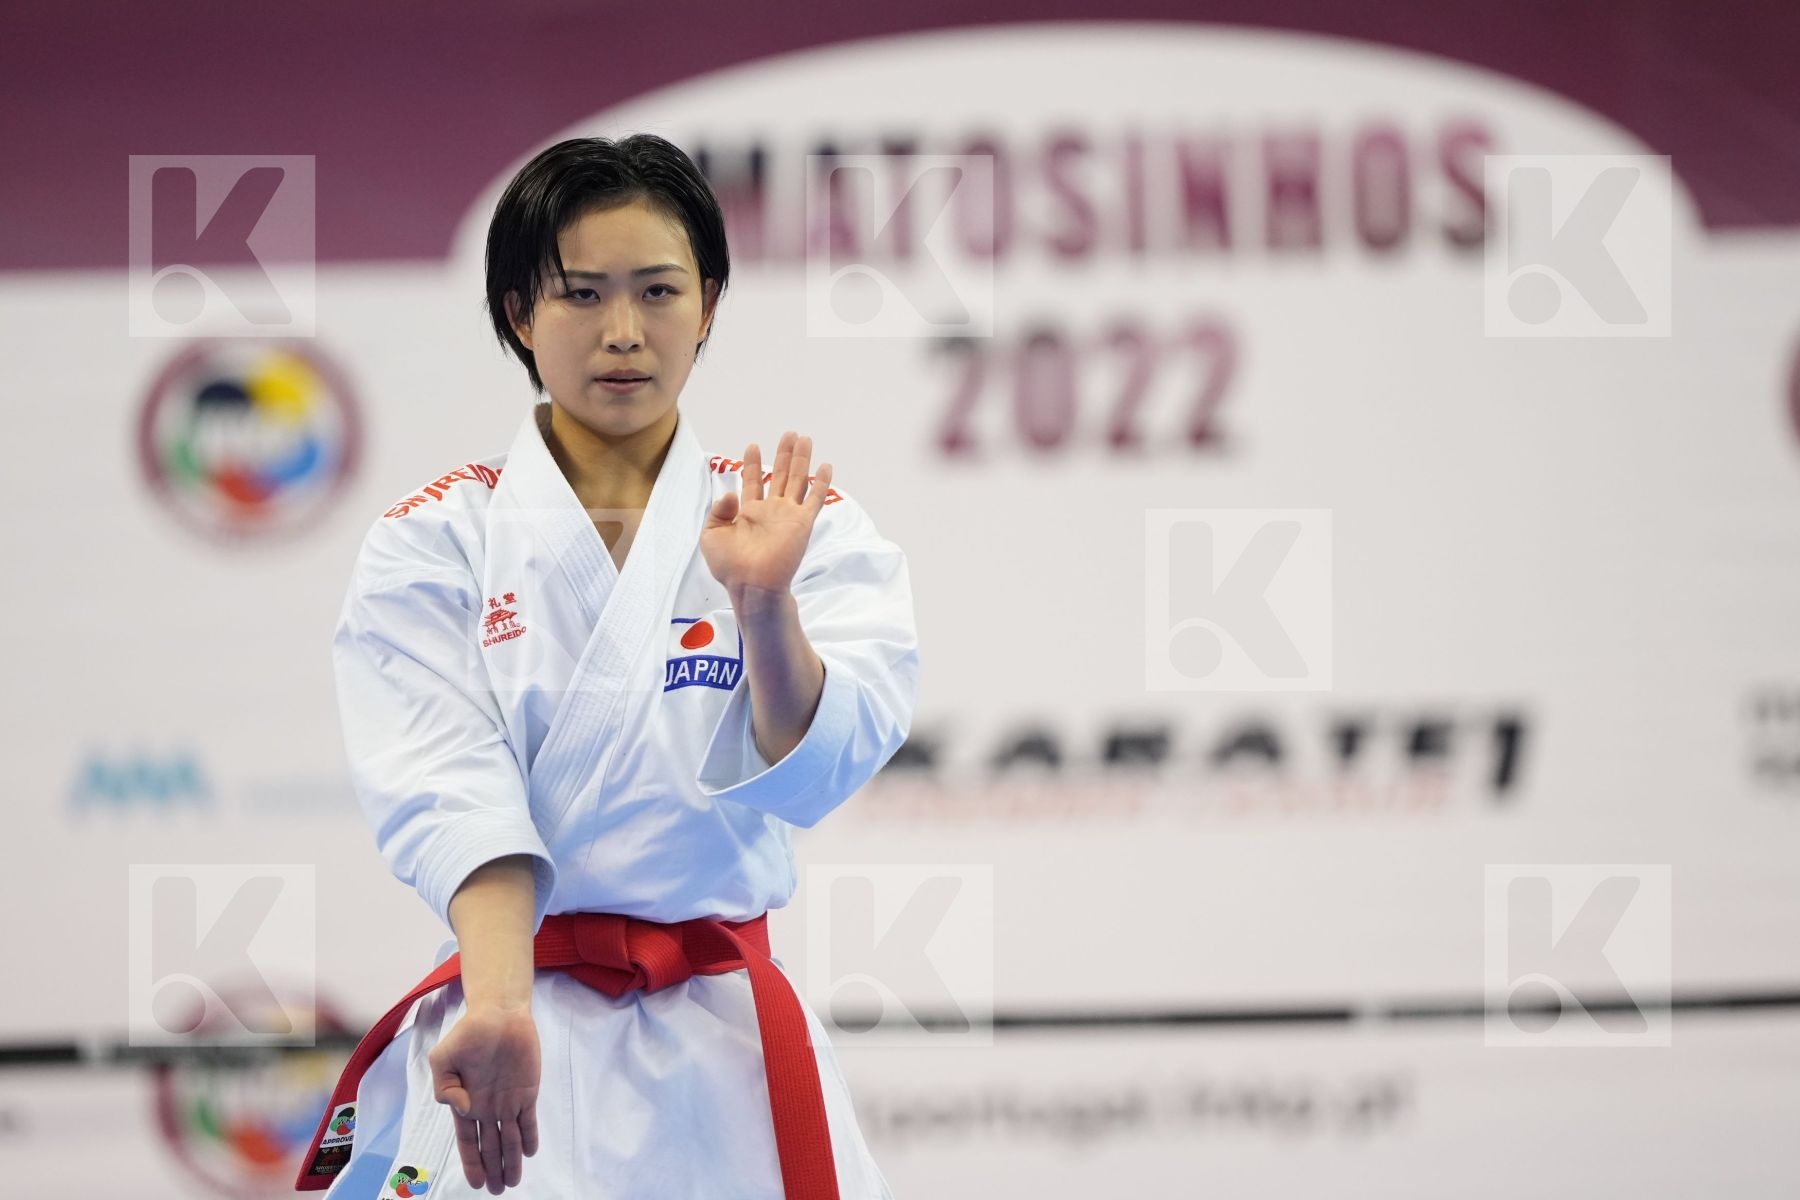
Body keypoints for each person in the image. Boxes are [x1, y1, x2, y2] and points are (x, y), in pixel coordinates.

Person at [295, 134, 920, 1199]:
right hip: (507, 1034)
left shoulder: (797, 519)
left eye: (658, 290)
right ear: (517, 315)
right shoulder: (434, 540)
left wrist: (763, 605)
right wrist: (496, 1000)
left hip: (725, 1045)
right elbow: (451, 790)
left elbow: (824, 770)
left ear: (710, 304)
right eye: (580, 294)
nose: (623, 332)